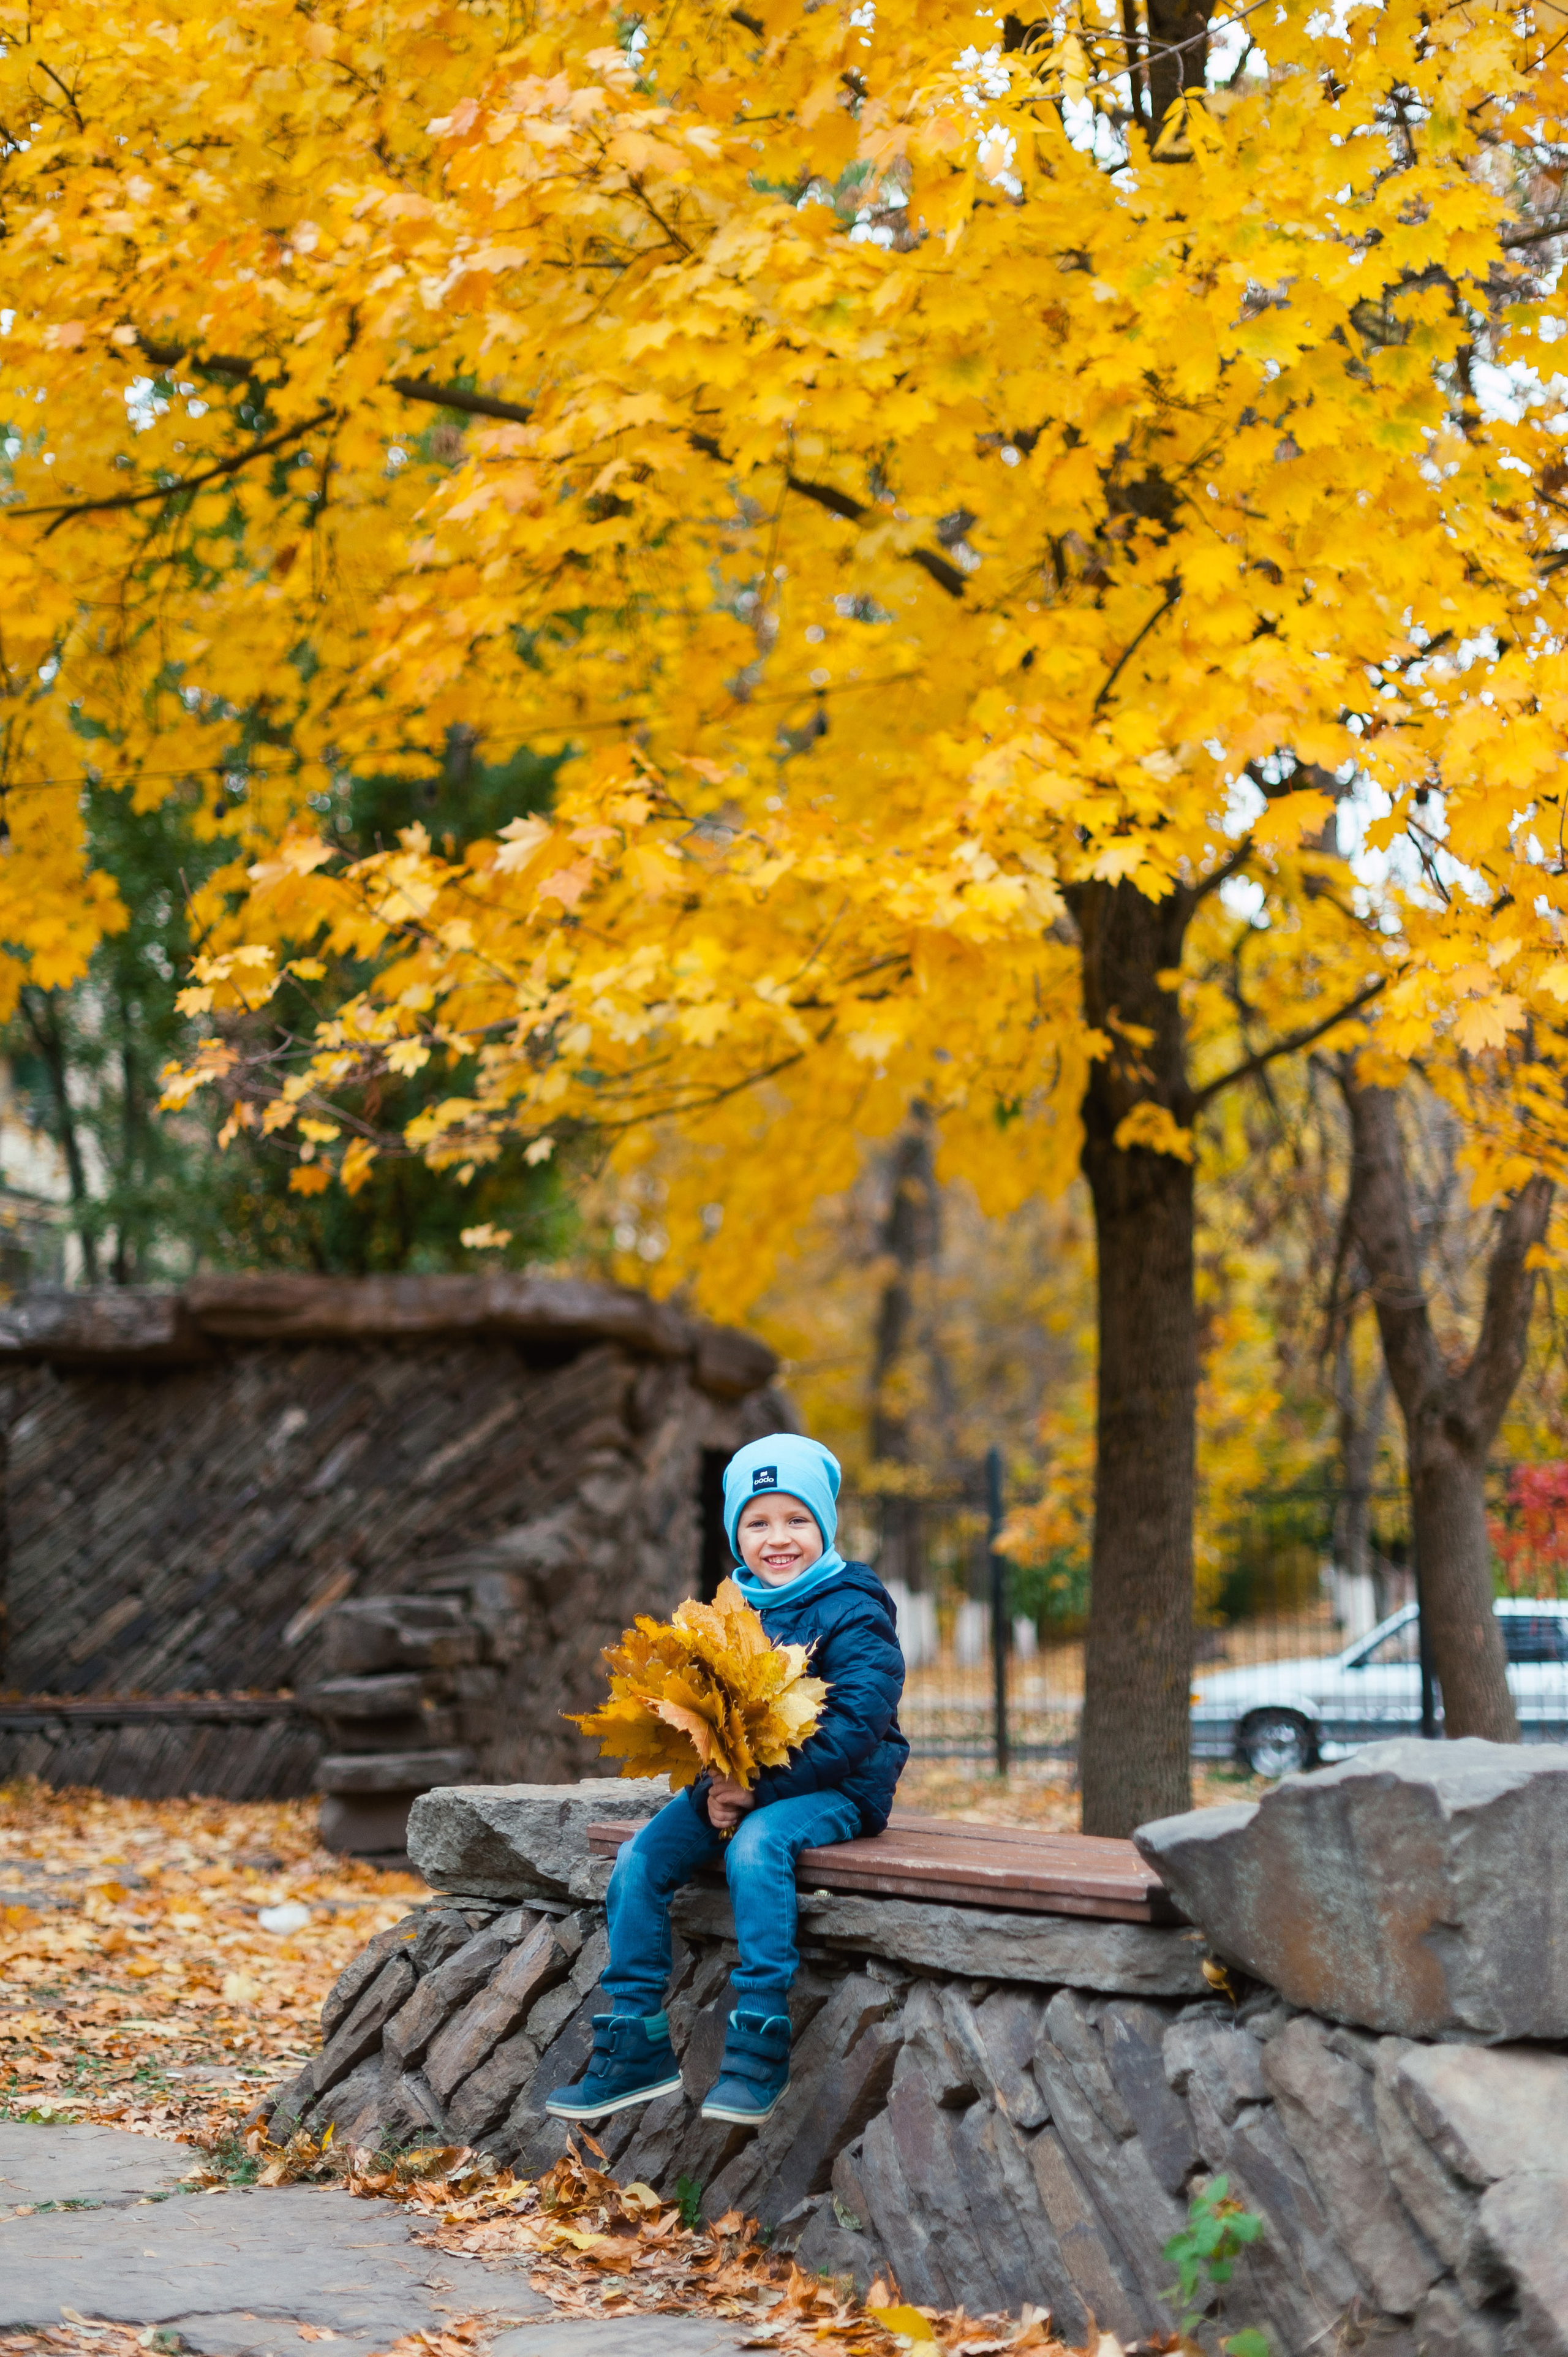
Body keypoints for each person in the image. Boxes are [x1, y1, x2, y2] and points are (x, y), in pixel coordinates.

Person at [547, 1431, 908, 2128]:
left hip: (838, 1788)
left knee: (756, 1846)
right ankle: (634, 2040)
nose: (779, 1538)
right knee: (640, 1856)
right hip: (736, 1784)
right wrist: (714, 1777)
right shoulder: (729, 1612)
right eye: (758, 1521)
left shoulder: (854, 1608)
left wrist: (756, 1794)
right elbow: (711, 1717)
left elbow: (858, 1723)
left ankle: (759, 2039)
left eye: (797, 1519)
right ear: (735, 1533)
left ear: (825, 1525)